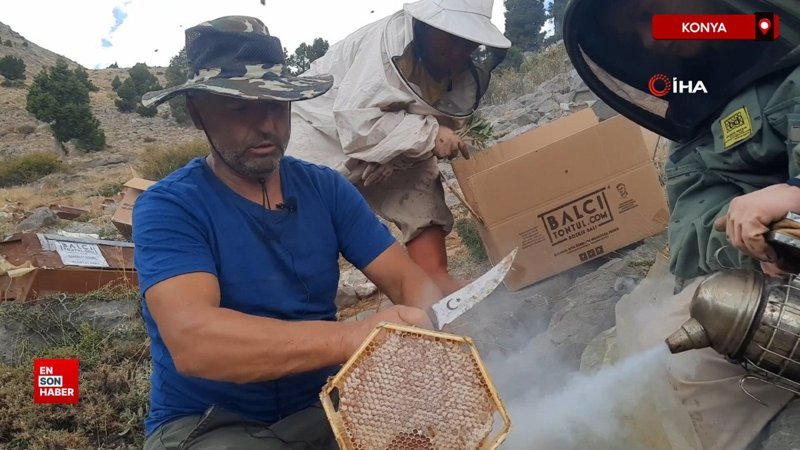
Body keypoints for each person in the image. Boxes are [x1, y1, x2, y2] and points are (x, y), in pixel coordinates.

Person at [135, 16, 443, 450]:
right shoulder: (170, 207)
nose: (266, 125)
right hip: (210, 426)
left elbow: (406, 280)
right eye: (240, 108)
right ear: (198, 112)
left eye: (276, 105)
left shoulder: (325, 188)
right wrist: (360, 334)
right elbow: (196, 341)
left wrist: (436, 328)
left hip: (321, 405)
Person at [563, 0, 800, 448]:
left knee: (681, 374)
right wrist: (753, 240)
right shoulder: (704, 93)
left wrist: (794, 203)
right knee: (648, 353)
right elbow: (694, 214)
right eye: (634, 34)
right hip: (772, 274)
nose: (651, 38)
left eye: (651, 10)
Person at [285, 0, 510, 295]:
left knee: (421, 180)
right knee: (302, 212)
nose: (458, 51)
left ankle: (433, 280)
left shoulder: (457, 72)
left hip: (384, 135)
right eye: (451, 38)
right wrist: (427, 135)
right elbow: (357, 124)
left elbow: (439, 123)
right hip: (318, 129)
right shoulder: (382, 47)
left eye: (467, 42)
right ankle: (302, 312)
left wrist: (393, 157)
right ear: (426, 25)